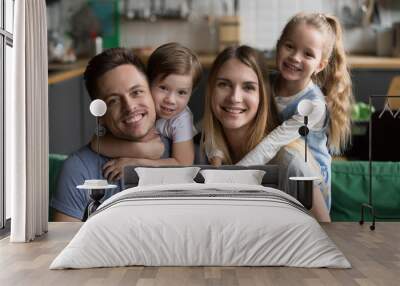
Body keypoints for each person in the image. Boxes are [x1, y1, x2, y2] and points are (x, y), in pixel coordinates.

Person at [235, 13, 353, 211]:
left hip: (309, 182)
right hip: (272, 167)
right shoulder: (265, 83)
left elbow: (274, 143)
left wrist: (234, 174)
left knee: (290, 154)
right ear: (278, 45)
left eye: (308, 54)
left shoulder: (313, 105)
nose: (295, 58)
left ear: (320, 65)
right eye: (289, 46)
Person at [201, 45, 331, 222]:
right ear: (210, 90)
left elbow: (327, 237)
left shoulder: (291, 163)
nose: (235, 98)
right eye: (224, 84)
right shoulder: (197, 147)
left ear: (263, 95)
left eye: (248, 87)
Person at [51, 48, 170, 222]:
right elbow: (62, 246)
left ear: (153, 93)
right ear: (100, 115)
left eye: (136, 92)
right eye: (113, 100)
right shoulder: (79, 170)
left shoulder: (182, 150)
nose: (129, 107)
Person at [93, 42, 202, 181]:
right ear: (148, 81)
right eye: (163, 88)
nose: (171, 100)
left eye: (182, 92)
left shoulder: (181, 118)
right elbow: (98, 143)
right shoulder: (139, 107)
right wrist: (146, 151)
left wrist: (136, 162)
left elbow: (183, 164)